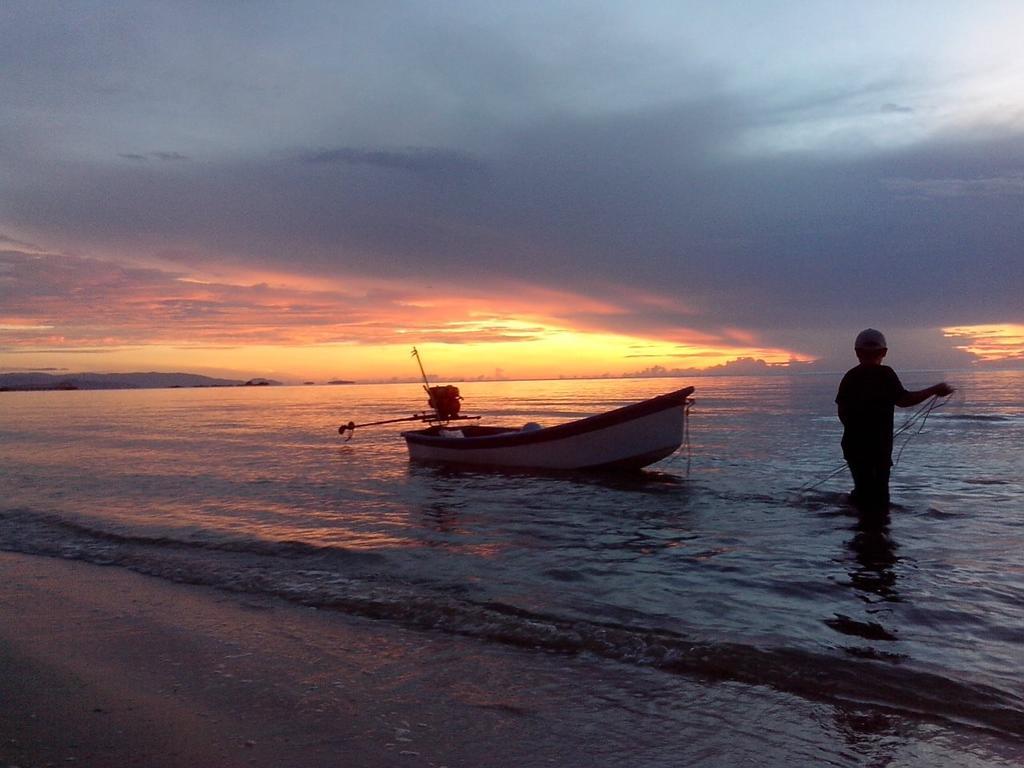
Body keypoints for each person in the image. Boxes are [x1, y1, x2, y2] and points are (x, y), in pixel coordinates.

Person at [835, 329, 954, 514]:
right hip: (878, 448)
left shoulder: (850, 377)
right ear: (884, 352)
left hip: (854, 446)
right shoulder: (885, 374)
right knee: (879, 498)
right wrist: (934, 390)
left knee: (865, 491)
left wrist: (858, 431)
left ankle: (860, 531)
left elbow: (842, 413)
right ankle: (876, 535)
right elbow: (904, 400)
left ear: (857, 352)